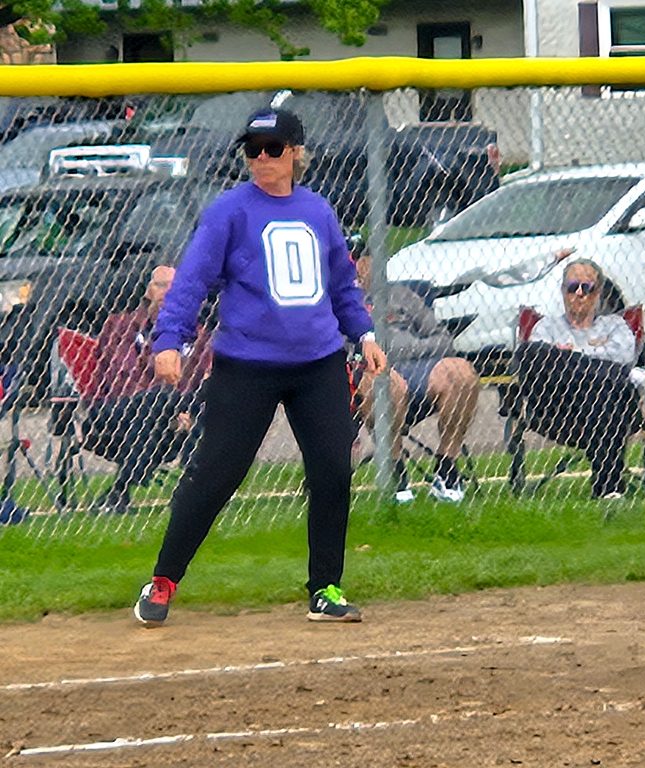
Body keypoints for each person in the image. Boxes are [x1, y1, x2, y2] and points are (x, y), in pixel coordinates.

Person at [133, 107, 386, 627]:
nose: (262, 159)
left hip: (318, 362)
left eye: (273, 149)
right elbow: (192, 280)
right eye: (253, 150)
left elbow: (341, 283)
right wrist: (170, 340)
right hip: (247, 364)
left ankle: (326, 587)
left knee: (334, 471)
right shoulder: (230, 211)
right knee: (216, 473)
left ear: (296, 152)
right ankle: (163, 580)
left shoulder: (318, 210)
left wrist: (363, 334)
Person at [352, 243, 480, 503]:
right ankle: (396, 472)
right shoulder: (342, 302)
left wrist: (405, 348)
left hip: (420, 367)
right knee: (387, 382)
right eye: (358, 262)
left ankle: (447, 469)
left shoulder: (402, 295)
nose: (364, 267)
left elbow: (444, 339)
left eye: (369, 260)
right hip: (367, 372)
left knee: (462, 373)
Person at [84, 264, 211, 514]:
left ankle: (122, 492)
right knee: (159, 398)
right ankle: (168, 491)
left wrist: (181, 409)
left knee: (202, 406)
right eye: (161, 285)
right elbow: (124, 379)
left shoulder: (198, 335)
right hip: (113, 415)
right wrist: (174, 407)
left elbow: (202, 380)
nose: (167, 292)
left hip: (166, 422)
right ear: (147, 292)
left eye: (174, 288)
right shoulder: (120, 327)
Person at [513, 258, 642, 499]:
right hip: (557, 406)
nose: (580, 293)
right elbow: (536, 366)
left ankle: (608, 490)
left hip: (605, 403)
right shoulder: (546, 327)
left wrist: (568, 357)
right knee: (529, 352)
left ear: (599, 292)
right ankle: (610, 488)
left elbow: (624, 355)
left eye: (587, 287)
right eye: (573, 287)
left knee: (604, 389)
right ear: (563, 291)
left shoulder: (615, 325)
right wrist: (599, 361)